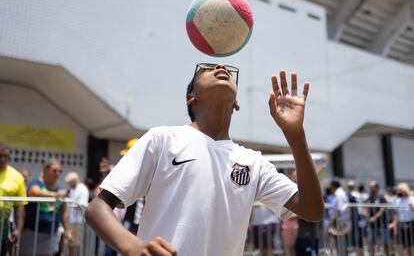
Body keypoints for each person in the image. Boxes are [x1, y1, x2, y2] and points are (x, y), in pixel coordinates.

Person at [86, 64, 324, 256]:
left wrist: (295, 135)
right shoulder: (164, 139)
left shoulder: (253, 161)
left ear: (236, 104)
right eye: (207, 68)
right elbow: (97, 208)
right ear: (191, 98)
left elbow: (312, 210)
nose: (221, 67)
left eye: (229, 72)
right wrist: (133, 247)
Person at [20, 159, 71, 256]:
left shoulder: (60, 188)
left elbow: (64, 212)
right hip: (31, 233)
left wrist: (67, 230)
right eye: (54, 170)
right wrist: (56, 195)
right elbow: (34, 192)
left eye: (60, 171)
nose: (57, 174)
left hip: (50, 235)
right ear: (45, 170)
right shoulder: (36, 182)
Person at [0, 143, 27, 256]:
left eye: (5, 156)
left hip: (2, 225)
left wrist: (19, 229)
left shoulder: (17, 177)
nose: (2, 159)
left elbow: (19, 206)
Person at [65, 172, 89, 256]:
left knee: (76, 242)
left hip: (78, 220)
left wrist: (71, 203)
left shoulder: (82, 189)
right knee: (69, 241)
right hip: (71, 219)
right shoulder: (73, 189)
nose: (69, 185)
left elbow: (82, 204)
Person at [364, 180, 389, 256]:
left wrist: (374, 218)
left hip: (382, 224)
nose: (371, 189)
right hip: (372, 226)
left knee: (385, 243)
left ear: (377, 188)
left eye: (372, 187)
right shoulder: (368, 198)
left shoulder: (381, 197)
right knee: (371, 243)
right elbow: (365, 208)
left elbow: (382, 209)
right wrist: (367, 217)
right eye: (370, 187)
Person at [388, 182, 414, 255]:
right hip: (401, 224)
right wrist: (394, 224)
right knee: (404, 245)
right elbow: (396, 214)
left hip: (411, 223)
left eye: (400, 190)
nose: (398, 192)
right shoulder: (397, 201)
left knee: (412, 244)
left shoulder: (411, 199)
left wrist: (412, 207)